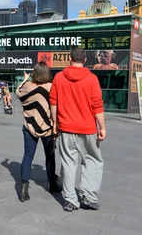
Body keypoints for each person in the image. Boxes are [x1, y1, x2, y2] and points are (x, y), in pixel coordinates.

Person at [50, 47, 106, 212]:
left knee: (68, 163)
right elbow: (97, 104)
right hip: (88, 128)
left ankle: (70, 200)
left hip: (66, 127)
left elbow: (53, 102)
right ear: (85, 60)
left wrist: (55, 123)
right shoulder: (92, 78)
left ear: (70, 58)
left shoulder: (59, 77)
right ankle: (89, 197)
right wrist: (102, 126)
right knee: (93, 161)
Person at [17, 62, 61, 203]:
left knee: (28, 155)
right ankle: (52, 183)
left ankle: (23, 189)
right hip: (47, 127)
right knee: (50, 156)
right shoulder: (51, 87)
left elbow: (18, 93)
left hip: (29, 126)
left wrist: (25, 79)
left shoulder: (27, 86)